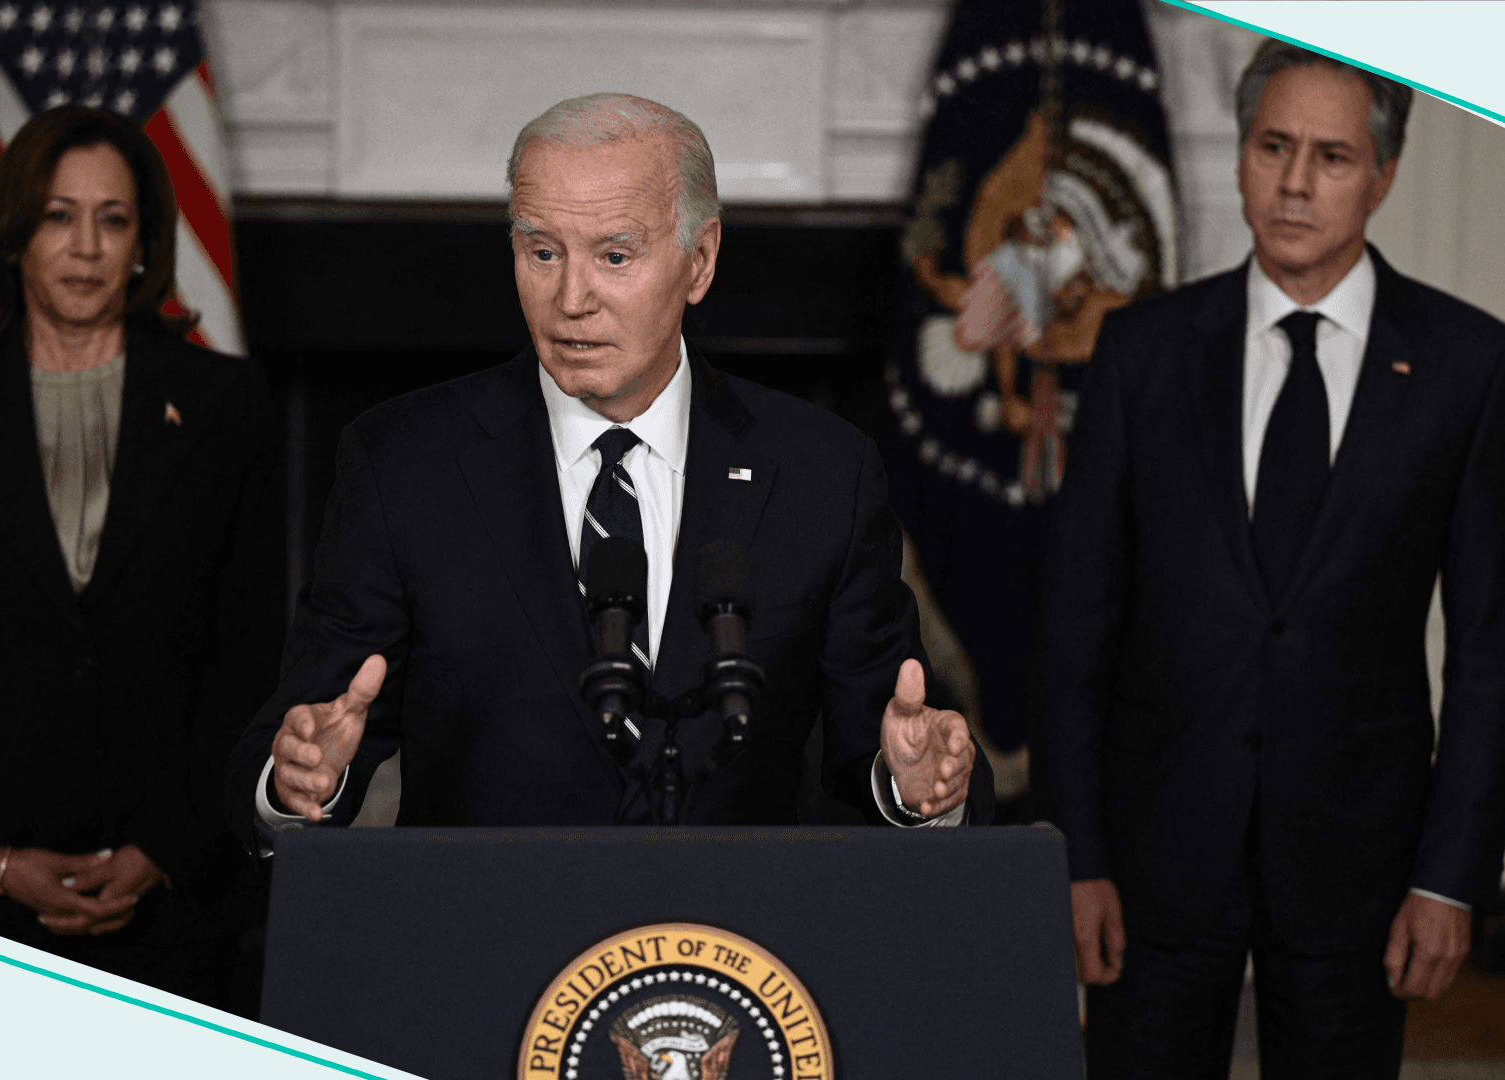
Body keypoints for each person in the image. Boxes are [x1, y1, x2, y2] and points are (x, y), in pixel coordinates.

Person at [225, 93, 991, 846]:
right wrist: (293, 781)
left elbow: (889, 738)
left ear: (700, 261)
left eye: (614, 256)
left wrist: (919, 787)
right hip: (482, 942)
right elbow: (307, 731)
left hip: (731, 948)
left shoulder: (821, 471)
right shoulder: (402, 465)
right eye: (542, 252)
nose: (571, 299)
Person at [1031, 41, 1505, 1077]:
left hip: (1359, 862)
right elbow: (1077, 622)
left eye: (1333, 157)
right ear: (1242, 155)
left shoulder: (1470, 366)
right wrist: (1074, 853)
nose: (1296, 183)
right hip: (1155, 855)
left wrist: (1450, 878)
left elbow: (1490, 652)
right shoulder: (1142, 353)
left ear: (1382, 175)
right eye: (1274, 146)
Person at [0, 106, 284, 1012]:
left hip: (174, 896)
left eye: (113, 218)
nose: (86, 245)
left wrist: (164, 848)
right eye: (58, 214)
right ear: (13, 232)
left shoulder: (228, 404)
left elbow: (249, 651)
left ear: (144, 244)